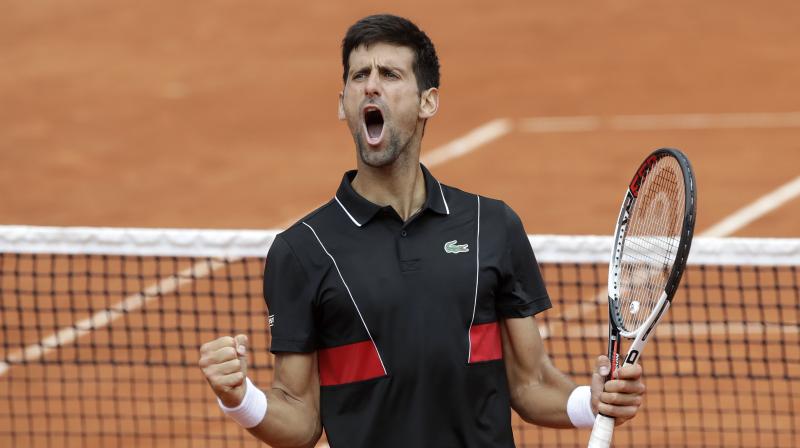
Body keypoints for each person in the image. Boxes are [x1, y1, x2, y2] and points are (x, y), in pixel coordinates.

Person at [198, 14, 644, 448]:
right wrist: (240, 400)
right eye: (359, 76)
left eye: (390, 74)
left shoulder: (492, 225)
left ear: (428, 101)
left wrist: (593, 401)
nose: (371, 84)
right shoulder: (302, 251)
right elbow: (299, 417)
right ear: (343, 105)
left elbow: (530, 383)